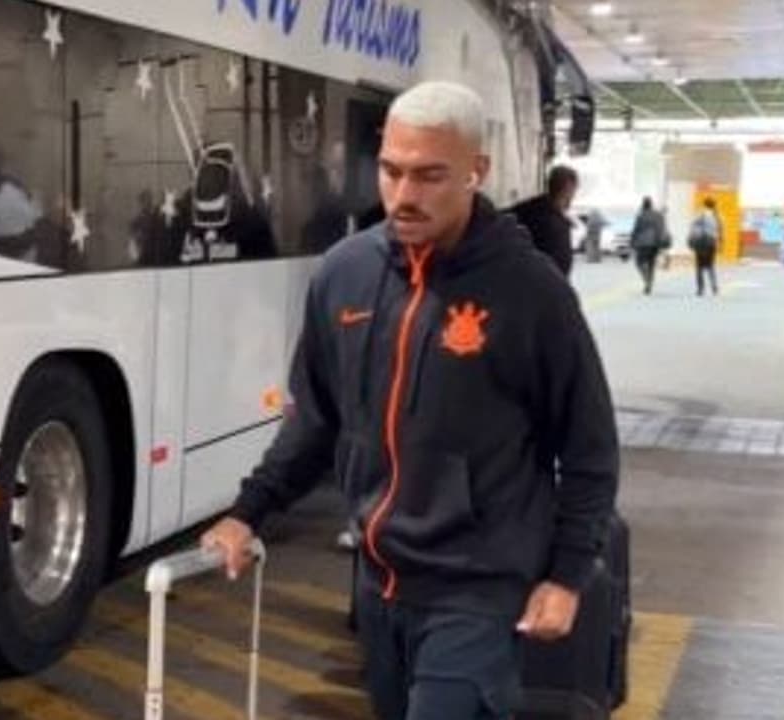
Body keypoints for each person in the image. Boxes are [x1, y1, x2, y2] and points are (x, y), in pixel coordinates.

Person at [200, 81, 619, 720]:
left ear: (476, 171)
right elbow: (316, 419)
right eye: (392, 172)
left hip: (479, 588)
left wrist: (566, 575)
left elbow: (589, 448)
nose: (403, 196)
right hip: (378, 586)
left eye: (429, 177)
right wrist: (248, 512)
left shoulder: (531, 293)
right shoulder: (344, 273)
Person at [510, 165, 580, 278]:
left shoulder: (528, 209)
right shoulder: (556, 226)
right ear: (568, 189)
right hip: (541, 287)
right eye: (574, 190)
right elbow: (560, 269)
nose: (573, 196)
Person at [630, 197, 667, 294]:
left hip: (642, 243)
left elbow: (635, 230)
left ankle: (647, 280)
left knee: (639, 263)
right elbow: (662, 229)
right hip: (655, 243)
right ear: (651, 204)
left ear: (643, 205)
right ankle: (649, 283)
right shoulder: (658, 215)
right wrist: (661, 243)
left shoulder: (641, 215)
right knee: (651, 264)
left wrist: (631, 242)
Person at [689, 198, 722, 296]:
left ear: (705, 205)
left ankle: (700, 289)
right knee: (710, 265)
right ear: (713, 205)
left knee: (699, 266)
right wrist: (720, 243)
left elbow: (693, 227)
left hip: (701, 243)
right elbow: (720, 231)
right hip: (712, 243)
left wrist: (692, 239)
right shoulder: (717, 216)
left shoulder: (700, 214)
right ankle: (714, 286)